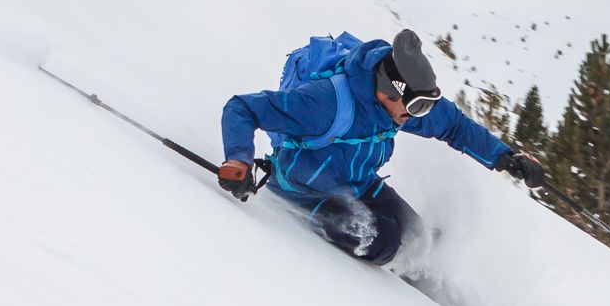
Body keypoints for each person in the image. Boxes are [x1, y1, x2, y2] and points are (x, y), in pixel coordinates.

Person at [217, 30, 544, 265]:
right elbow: (242, 108)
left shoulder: (396, 110)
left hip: (357, 182)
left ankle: (418, 269)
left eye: (426, 107)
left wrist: (506, 157)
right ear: (390, 90)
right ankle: (393, 268)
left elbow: (454, 125)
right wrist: (238, 160)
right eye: (417, 107)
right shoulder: (324, 102)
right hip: (305, 190)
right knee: (384, 241)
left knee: (419, 237)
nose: (418, 117)